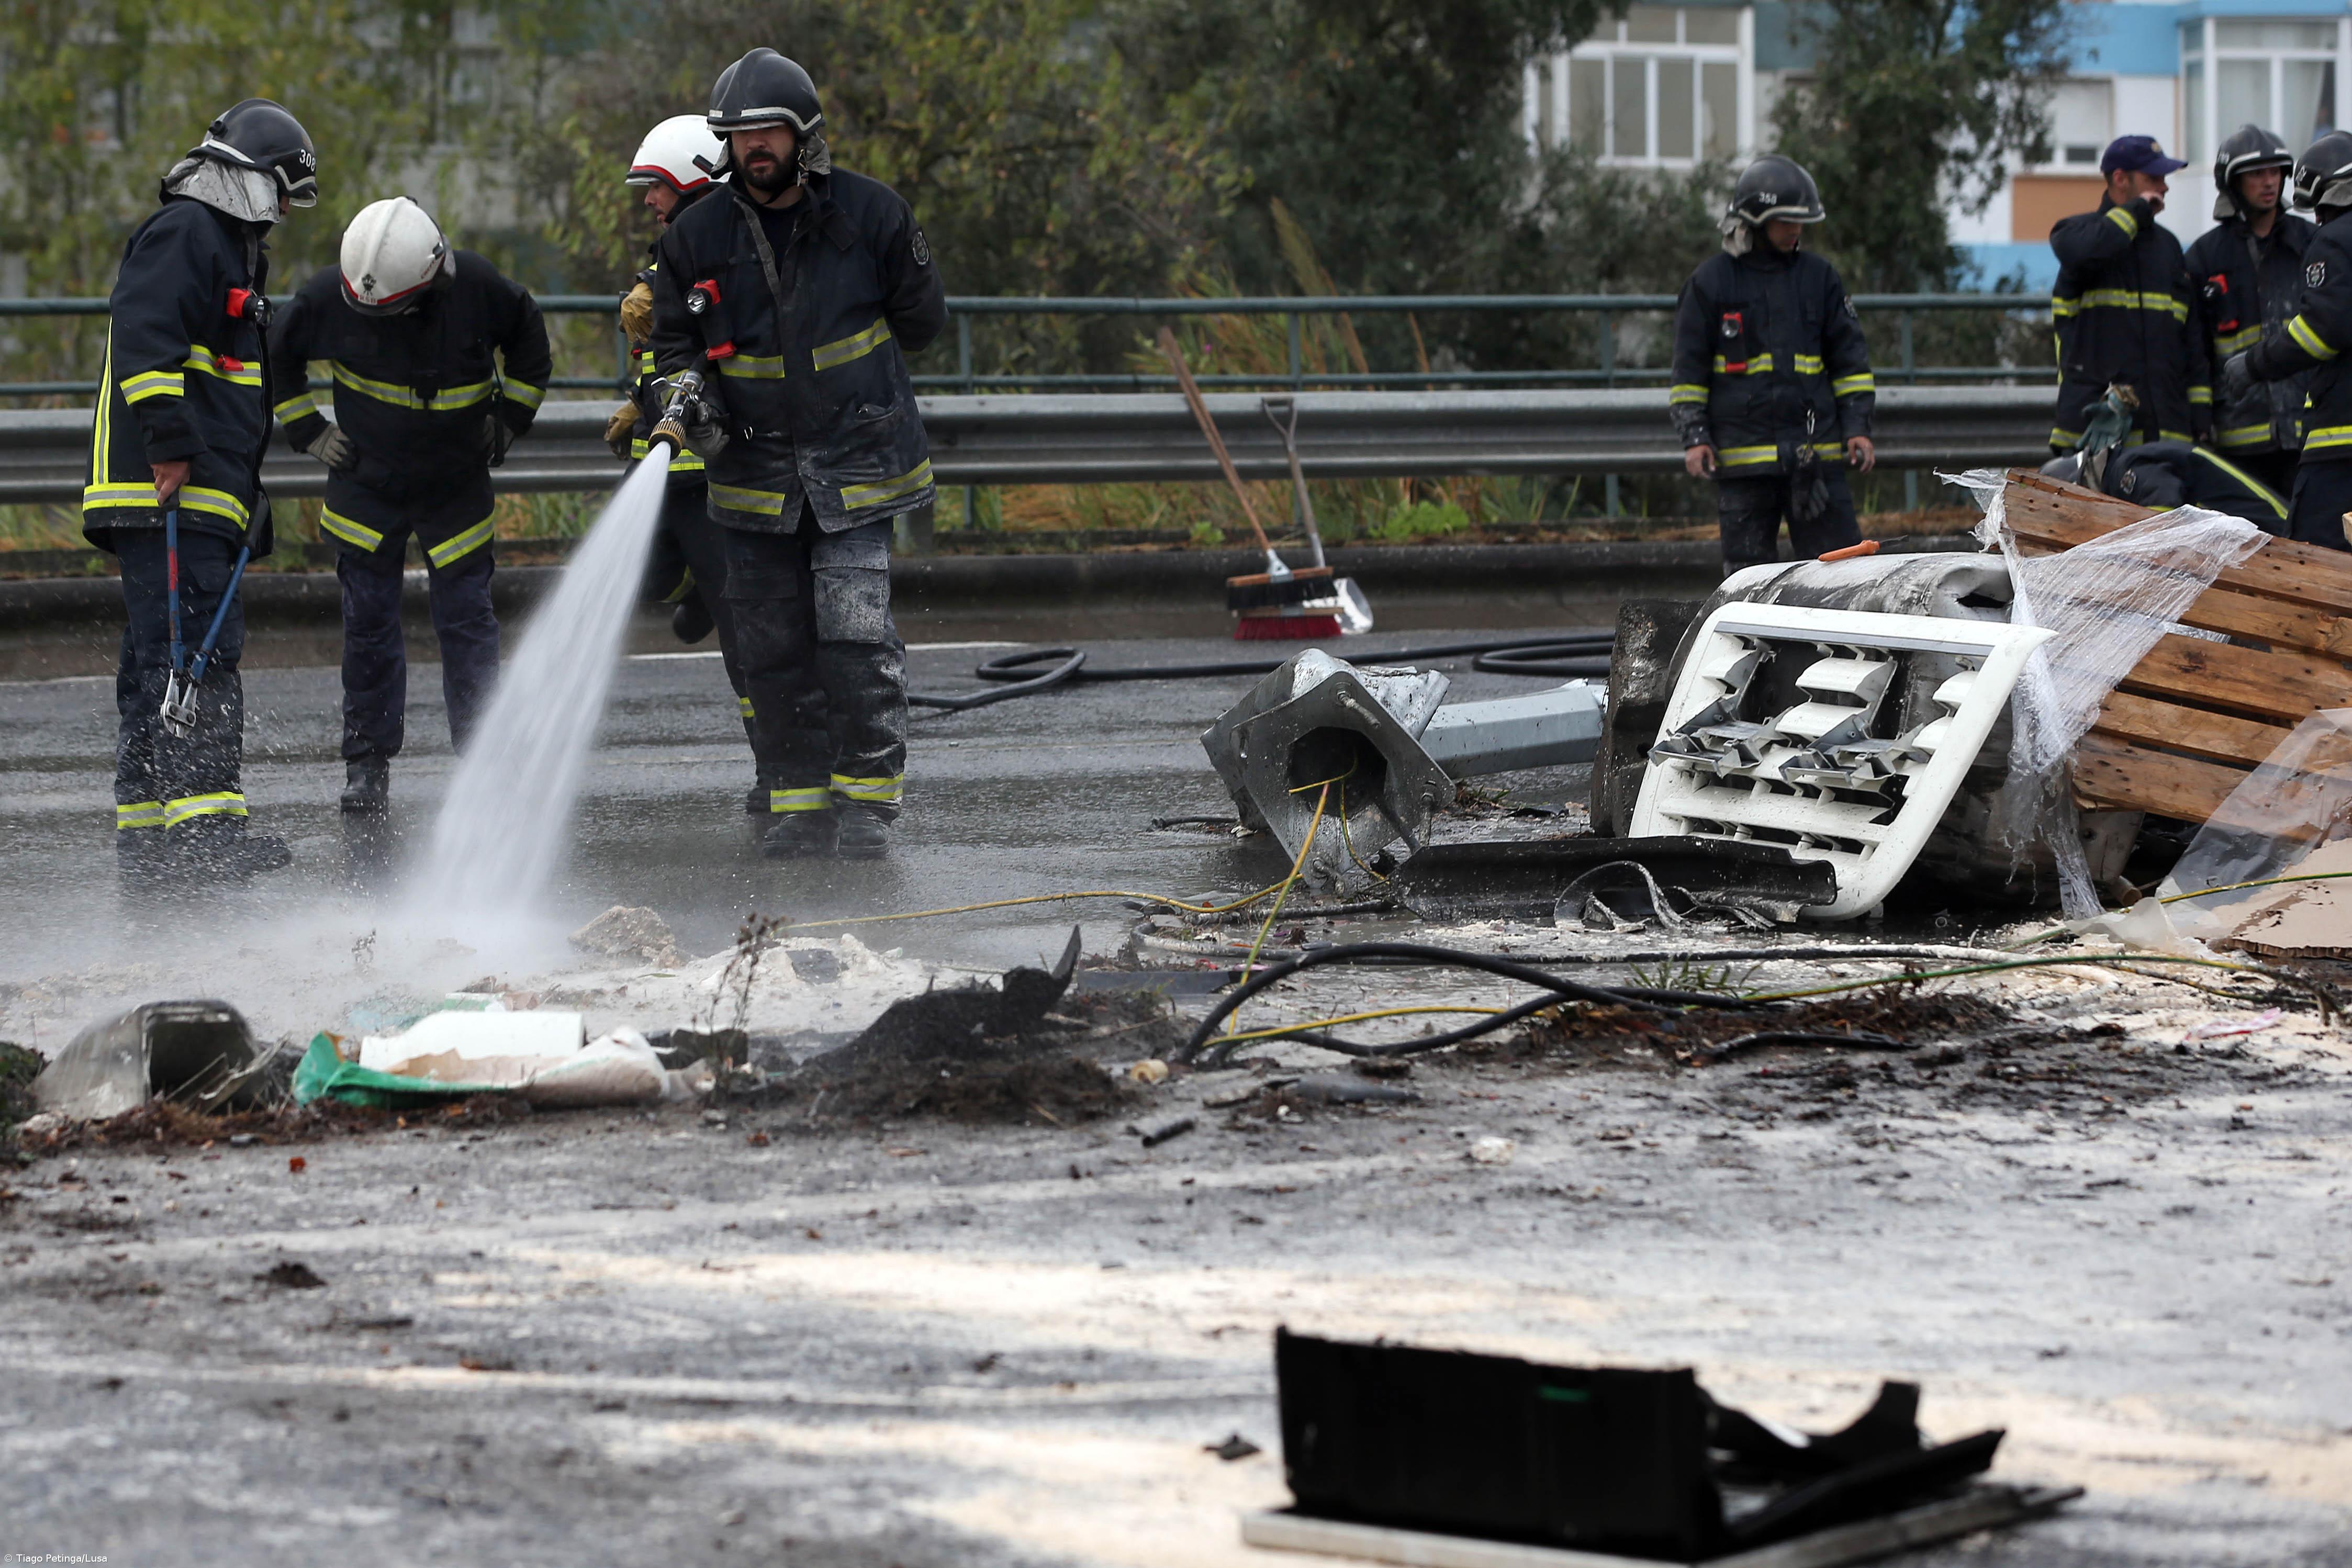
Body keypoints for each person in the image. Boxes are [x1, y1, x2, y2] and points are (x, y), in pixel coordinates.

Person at [649, 48, 947, 859]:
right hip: (750, 480)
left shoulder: (873, 217)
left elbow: (921, 321)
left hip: (857, 468)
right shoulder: (695, 238)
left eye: (768, 132)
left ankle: (867, 806)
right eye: (740, 135)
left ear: (803, 135)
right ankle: (800, 802)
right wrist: (683, 396)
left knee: (854, 641)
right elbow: (671, 347)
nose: (755, 148)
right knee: (770, 652)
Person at [86, 100, 317, 881]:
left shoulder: (226, 246)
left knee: (162, 661)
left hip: (199, 497)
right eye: (283, 192)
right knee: (194, 659)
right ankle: (204, 833)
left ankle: (151, 836)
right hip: (170, 492)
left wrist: (241, 500)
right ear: (251, 179)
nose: (285, 212)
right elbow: (145, 331)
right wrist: (173, 448)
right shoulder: (190, 233)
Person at [270, 197, 553, 810]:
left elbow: (531, 343)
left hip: (455, 486)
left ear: (431, 281)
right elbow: (276, 358)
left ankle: (486, 762)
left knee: (468, 621)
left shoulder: (477, 287)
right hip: (366, 483)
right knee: (368, 622)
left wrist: (511, 418)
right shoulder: (331, 295)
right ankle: (366, 765)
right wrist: (309, 432)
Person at [609, 114, 765, 814]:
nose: (648, 200)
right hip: (660, 466)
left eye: (659, 188)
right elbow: (667, 360)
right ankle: (696, 592)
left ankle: (776, 773)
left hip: (708, 474)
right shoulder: (670, 257)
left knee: (745, 643)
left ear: (699, 186)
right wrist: (635, 405)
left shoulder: (731, 256)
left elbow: (724, 352)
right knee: (637, 577)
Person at [1669, 154, 1875, 576]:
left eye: (1801, 222)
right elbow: (1688, 372)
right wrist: (1695, 437)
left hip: (1814, 461)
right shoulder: (1711, 283)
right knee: (1747, 583)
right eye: (1785, 221)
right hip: (1745, 466)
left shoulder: (1820, 279)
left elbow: (1850, 360)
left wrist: (1857, 427)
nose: (1796, 231)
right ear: (1755, 220)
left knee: (1840, 575)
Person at [2220, 129, 2352, 551]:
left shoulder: (2332, 240)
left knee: (2314, 558)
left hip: (2339, 444)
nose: (2316, 219)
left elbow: (2320, 332)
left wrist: (2253, 365)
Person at [2049, 135, 2204, 453]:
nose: (2164, 188)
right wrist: (2137, 210)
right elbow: (2090, 250)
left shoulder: (2169, 247)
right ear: (2120, 179)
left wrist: (2200, 417)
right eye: (2153, 178)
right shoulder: (2076, 233)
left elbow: (2191, 341)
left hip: (2166, 435)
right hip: (2091, 432)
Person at [2186, 125, 2314, 499]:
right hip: (2238, 434)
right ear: (2233, 184)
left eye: (2275, 172)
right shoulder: (2205, 257)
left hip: (2305, 429)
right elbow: (2196, 349)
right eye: (2257, 174)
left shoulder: (2311, 244)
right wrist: (2201, 420)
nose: (2269, 182)